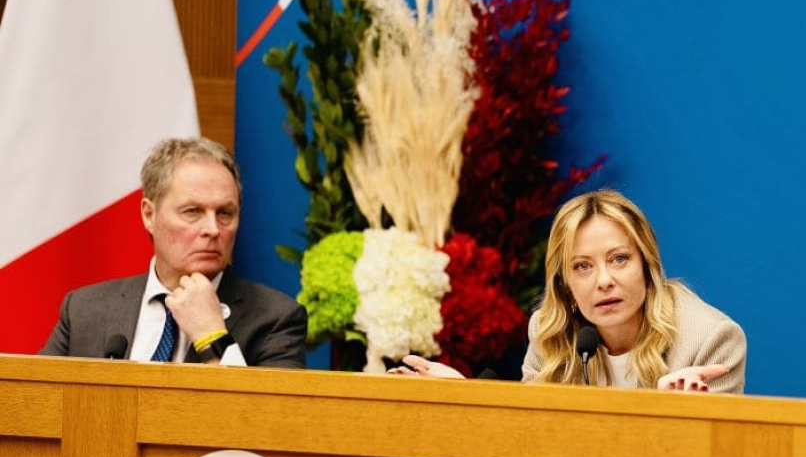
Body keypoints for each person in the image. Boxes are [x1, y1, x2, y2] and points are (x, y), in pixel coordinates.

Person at [394, 188, 746, 392]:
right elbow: (532, 438)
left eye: (619, 259)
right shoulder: (550, 331)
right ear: (565, 285)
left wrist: (683, 419)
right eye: (583, 267)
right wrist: (466, 399)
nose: (603, 280)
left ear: (648, 267)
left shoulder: (711, 340)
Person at [40, 137, 307, 367]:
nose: (213, 229)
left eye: (225, 213)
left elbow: (270, 424)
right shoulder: (85, 310)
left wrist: (212, 337)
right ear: (149, 214)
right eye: (192, 212)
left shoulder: (276, 318)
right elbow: (34, 406)